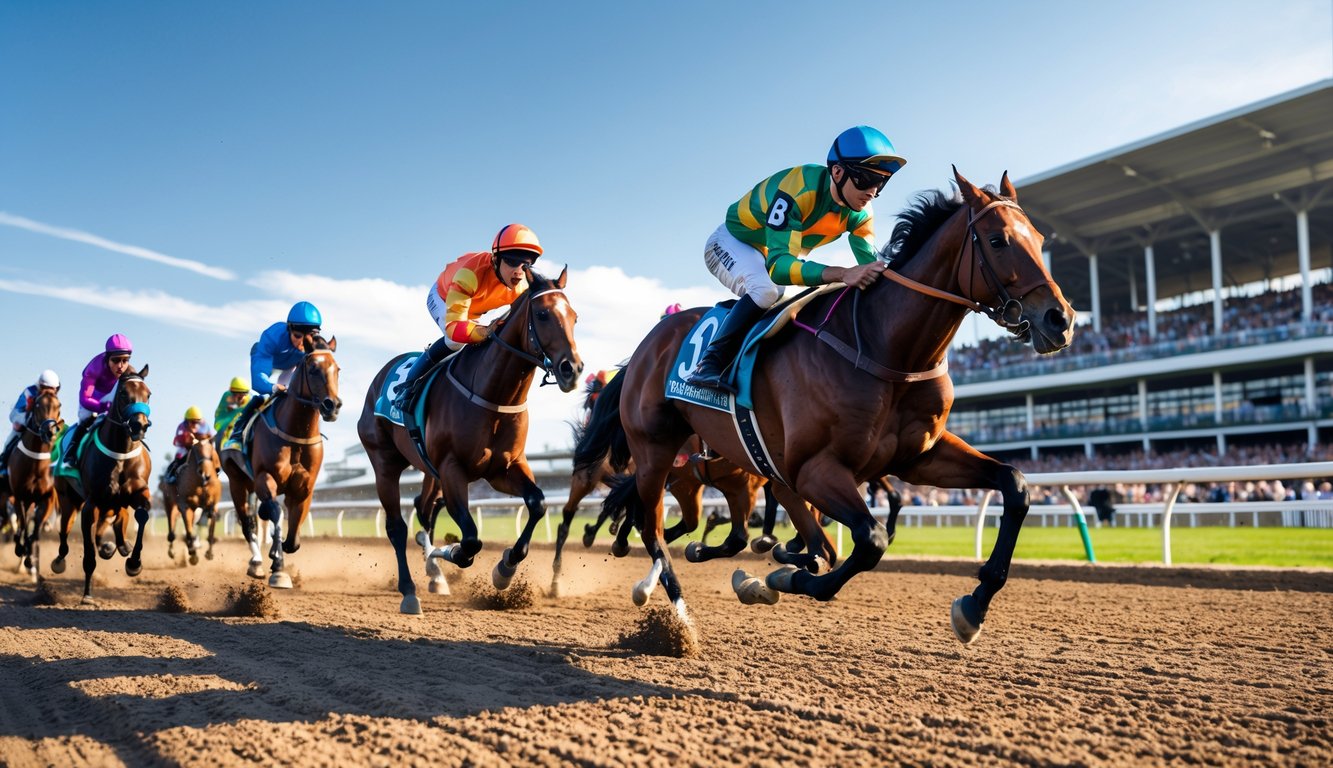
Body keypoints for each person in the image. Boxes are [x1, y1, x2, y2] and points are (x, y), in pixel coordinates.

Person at [685, 125, 906, 391]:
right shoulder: (797, 190)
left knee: (803, 302)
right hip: (733, 242)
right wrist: (842, 273)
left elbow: (871, 266)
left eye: (881, 182)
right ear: (838, 172)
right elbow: (779, 267)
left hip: (772, 254)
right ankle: (709, 364)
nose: (873, 191)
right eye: (867, 179)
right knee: (767, 290)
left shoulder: (861, 213)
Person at [393, 224, 543, 409]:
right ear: (496, 259)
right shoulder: (469, 275)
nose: (519, 271)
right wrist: (486, 330)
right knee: (456, 341)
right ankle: (408, 385)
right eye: (512, 261)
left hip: (473, 309)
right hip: (443, 298)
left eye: (527, 263)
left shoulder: (521, 286)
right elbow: (454, 328)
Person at [224, 302, 323, 447]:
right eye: (297, 336)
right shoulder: (272, 337)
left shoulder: (315, 344)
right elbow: (259, 381)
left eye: (308, 337)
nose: (302, 343)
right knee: (264, 396)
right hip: (269, 365)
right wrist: (273, 388)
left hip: (291, 367)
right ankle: (238, 433)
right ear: (289, 329)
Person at [61, 334, 134, 468]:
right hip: (93, 398)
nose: (120, 366)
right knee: (87, 418)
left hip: (112, 397)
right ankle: (71, 451)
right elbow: (85, 399)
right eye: (116, 360)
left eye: (125, 360)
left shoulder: (128, 370)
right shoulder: (94, 369)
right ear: (107, 358)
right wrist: (102, 407)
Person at [0, 369, 61, 476]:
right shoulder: (29, 392)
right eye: (46, 388)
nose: (50, 392)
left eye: (53, 389)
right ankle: (3, 464)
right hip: (26, 424)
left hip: (45, 426)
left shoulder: (53, 397)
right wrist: (28, 416)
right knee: (16, 431)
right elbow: (14, 414)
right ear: (40, 386)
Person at [163, 406, 215, 483]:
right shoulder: (182, 426)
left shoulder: (204, 425)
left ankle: (215, 470)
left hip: (200, 446)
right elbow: (180, 440)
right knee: (180, 456)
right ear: (187, 421)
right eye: (193, 422)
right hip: (185, 447)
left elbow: (209, 436)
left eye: (197, 422)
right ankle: (173, 473)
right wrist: (190, 440)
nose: (195, 424)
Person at [213, 376, 251, 442]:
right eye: (239, 396)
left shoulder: (248, 398)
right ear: (232, 393)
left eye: (244, 394)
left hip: (240, 424)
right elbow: (218, 419)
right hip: (223, 425)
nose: (242, 397)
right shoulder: (226, 396)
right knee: (220, 435)